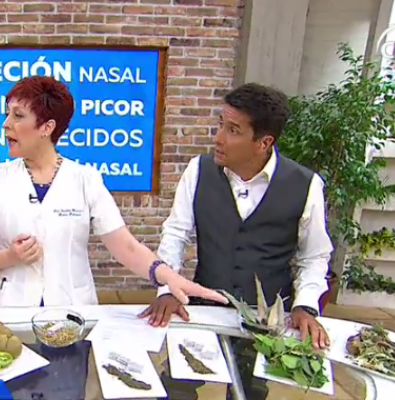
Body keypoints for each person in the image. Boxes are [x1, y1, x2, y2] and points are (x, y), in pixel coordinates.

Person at [0, 76, 228, 309]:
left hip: (69, 315)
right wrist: (10, 256)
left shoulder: (85, 179)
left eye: (18, 116)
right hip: (7, 314)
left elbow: (126, 247)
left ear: (46, 127)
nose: (6, 124)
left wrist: (169, 277)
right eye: (7, 114)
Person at [139, 83, 332, 400]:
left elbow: (314, 256)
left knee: (249, 392)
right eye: (220, 124)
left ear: (264, 142)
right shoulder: (198, 171)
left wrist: (305, 305)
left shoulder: (306, 185)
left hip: (265, 319)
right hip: (204, 307)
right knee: (175, 387)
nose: (218, 138)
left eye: (233, 130)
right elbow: (175, 233)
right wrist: (168, 288)